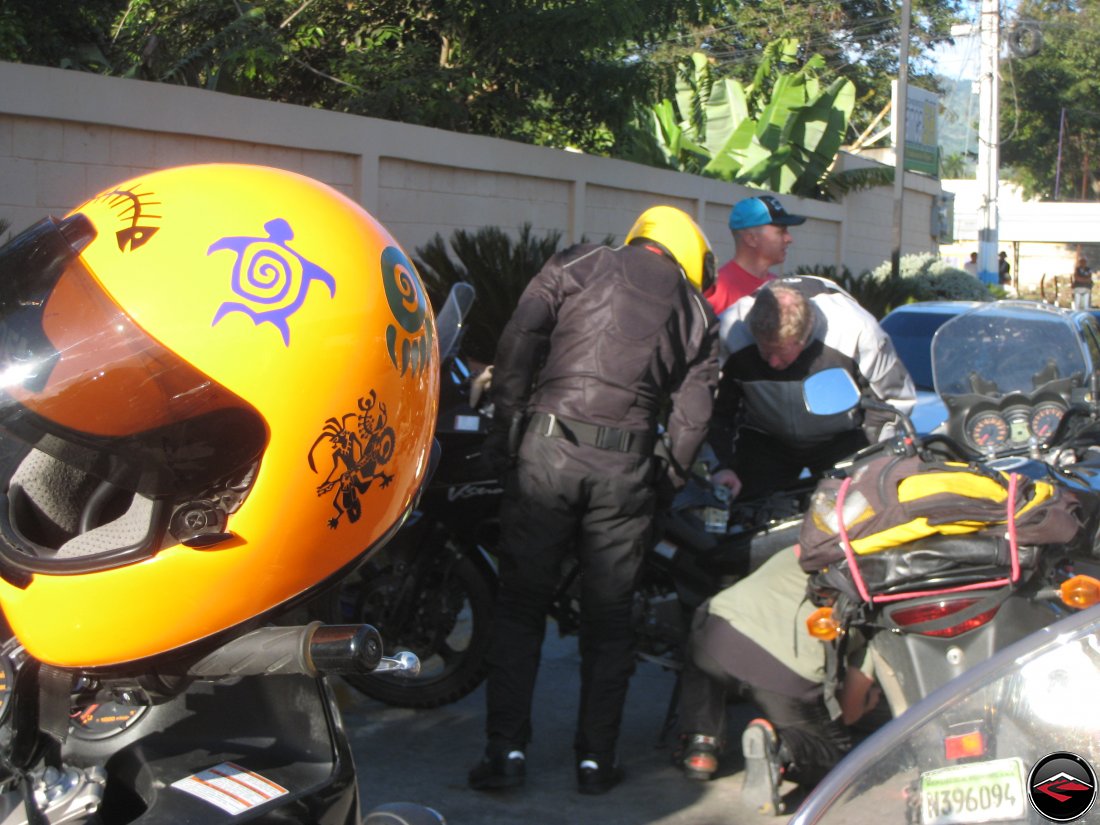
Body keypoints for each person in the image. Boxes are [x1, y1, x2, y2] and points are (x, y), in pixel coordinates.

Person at [468, 206, 721, 795]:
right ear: (686, 255)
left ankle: (504, 753)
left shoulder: (576, 262)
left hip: (547, 455)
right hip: (625, 468)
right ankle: (595, 762)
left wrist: (508, 429)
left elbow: (518, 343)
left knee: (520, 610)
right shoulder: (694, 310)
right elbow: (693, 415)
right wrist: (664, 479)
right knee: (609, 624)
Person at [672, 547, 879, 814]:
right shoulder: (879, 587)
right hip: (784, 677)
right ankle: (782, 750)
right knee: (837, 758)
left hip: (717, 638)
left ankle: (701, 745)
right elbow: (849, 711)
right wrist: (867, 703)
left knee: (706, 629)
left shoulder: (806, 546)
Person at [708, 276, 916, 502]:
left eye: (781, 352)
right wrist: (720, 465)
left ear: (804, 336)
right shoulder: (731, 328)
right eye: (765, 351)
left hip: (840, 440)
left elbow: (892, 401)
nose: (773, 363)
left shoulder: (856, 330)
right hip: (765, 440)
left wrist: (872, 461)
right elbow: (713, 408)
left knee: (856, 517)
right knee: (743, 514)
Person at [704, 194, 806, 316]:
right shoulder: (718, 292)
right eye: (781, 231)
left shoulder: (778, 286)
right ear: (751, 239)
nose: (789, 238)